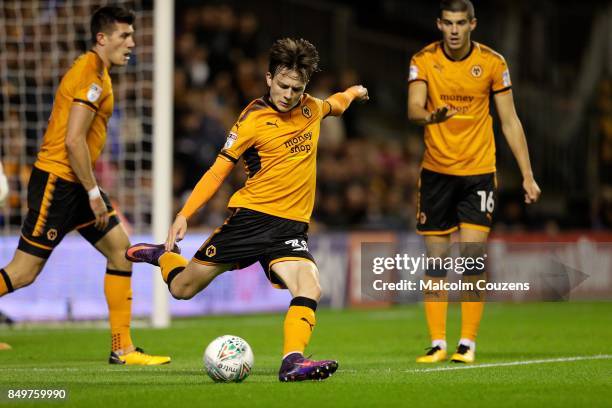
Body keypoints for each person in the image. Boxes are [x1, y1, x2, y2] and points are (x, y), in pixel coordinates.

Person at [127, 38, 369, 381]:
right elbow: (217, 171)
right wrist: (185, 214)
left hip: (290, 228)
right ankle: (163, 256)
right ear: (269, 79)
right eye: (282, 85)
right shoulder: (252, 119)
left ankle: (292, 362)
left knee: (310, 286)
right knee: (182, 289)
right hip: (250, 221)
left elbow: (336, 104)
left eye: (296, 89)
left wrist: (354, 92)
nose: (288, 94)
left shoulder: (311, 108)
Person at [0, 6, 170, 365]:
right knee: (24, 272)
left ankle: (122, 348)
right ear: (102, 38)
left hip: (75, 181)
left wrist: (89, 189)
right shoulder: (91, 77)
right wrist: (94, 193)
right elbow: (74, 141)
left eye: (133, 35)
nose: (132, 43)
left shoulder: (98, 73)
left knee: (121, 250)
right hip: (59, 182)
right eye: (124, 36)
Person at [407, 0, 541, 363]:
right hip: (436, 173)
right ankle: (437, 343)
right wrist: (431, 116)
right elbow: (413, 108)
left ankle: (467, 343)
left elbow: (510, 121)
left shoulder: (493, 64)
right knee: (435, 263)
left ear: (473, 25)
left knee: (471, 261)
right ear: (438, 24)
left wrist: (527, 174)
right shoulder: (423, 60)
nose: (453, 30)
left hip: (478, 172)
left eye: (460, 23)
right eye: (448, 23)